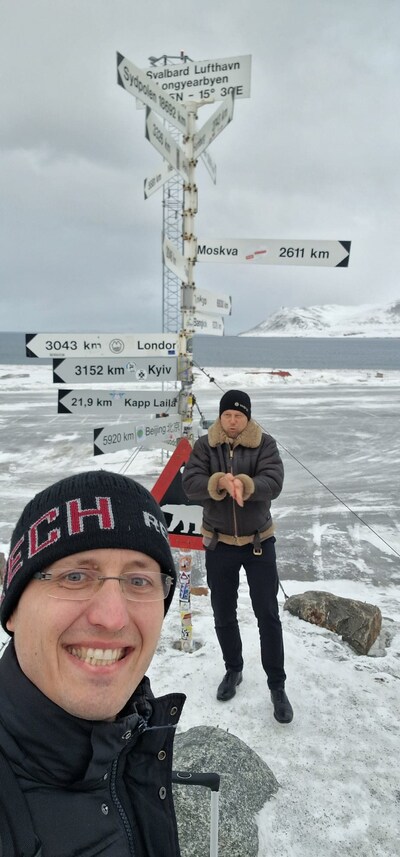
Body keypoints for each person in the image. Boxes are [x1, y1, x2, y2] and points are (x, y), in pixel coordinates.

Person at [0, 469, 185, 856]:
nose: (113, 618)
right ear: (13, 609)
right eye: (75, 576)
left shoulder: (137, 744)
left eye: (139, 581)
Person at [182, 390, 293, 724]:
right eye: (227, 415)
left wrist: (245, 484)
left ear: (247, 418)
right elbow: (191, 483)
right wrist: (218, 482)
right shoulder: (205, 446)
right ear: (220, 417)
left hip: (259, 543)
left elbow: (273, 481)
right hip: (218, 544)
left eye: (239, 416)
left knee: (267, 615)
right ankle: (233, 669)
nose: (232, 421)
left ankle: (277, 686)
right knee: (223, 613)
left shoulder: (264, 444)